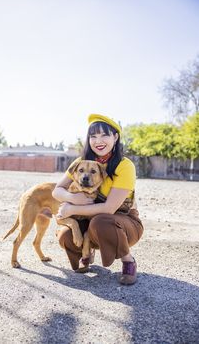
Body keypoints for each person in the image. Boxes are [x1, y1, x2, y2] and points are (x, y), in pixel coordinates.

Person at [52, 113, 143, 285]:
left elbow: (109, 208)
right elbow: (57, 190)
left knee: (101, 221)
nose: (98, 141)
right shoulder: (82, 162)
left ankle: (128, 261)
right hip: (91, 220)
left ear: (115, 137)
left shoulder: (125, 166)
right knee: (65, 234)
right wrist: (72, 198)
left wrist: (72, 209)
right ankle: (86, 254)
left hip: (123, 222)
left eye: (104, 135)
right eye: (93, 136)